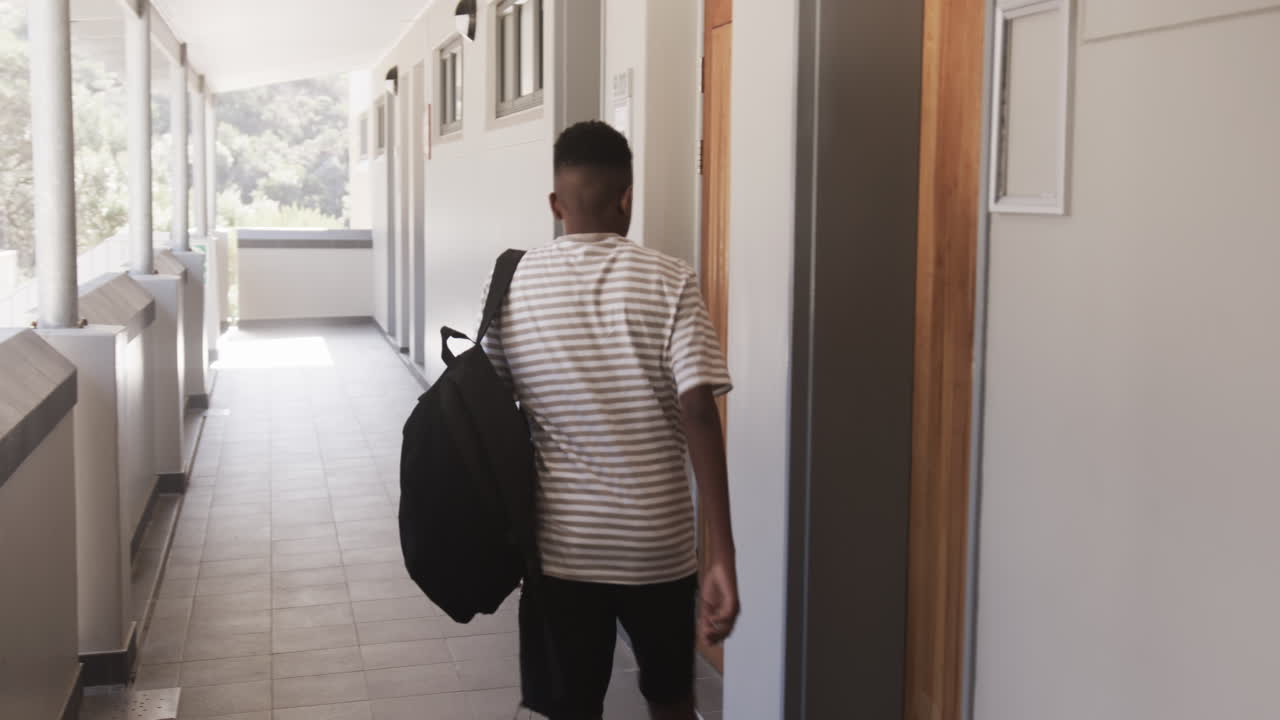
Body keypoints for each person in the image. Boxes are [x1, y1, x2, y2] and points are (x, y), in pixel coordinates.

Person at [478, 120, 739, 719]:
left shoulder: (511, 282)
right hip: (659, 549)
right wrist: (721, 554)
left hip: (561, 551)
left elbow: (491, 409)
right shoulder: (670, 278)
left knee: (571, 707)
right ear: (627, 198)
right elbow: (699, 410)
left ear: (556, 205)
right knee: (671, 700)